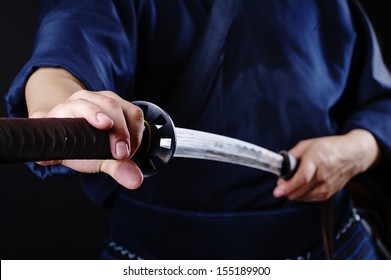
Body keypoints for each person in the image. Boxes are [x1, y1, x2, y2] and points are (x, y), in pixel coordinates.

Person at [5, 0, 391, 259]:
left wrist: (354, 151)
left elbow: (381, 105)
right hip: (164, 254)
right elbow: (66, 49)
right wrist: (61, 104)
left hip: (331, 244)